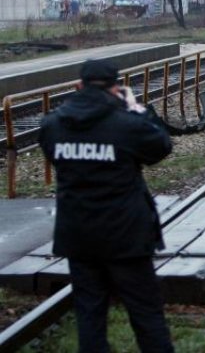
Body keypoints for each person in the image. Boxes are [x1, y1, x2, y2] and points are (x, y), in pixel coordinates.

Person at [38, 59, 174, 352]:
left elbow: (53, 154)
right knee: (146, 313)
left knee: (89, 313)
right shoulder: (127, 124)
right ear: (116, 89)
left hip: (78, 236)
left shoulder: (53, 125)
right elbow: (161, 146)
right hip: (126, 236)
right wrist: (137, 110)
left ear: (78, 86)